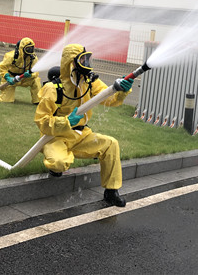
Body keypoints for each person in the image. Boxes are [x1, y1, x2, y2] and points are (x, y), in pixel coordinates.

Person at [34, 43, 134, 207]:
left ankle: (111, 191)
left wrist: (122, 91)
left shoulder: (90, 83)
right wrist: (67, 122)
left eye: (87, 60)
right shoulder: (53, 88)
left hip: (82, 135)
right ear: (71, 63)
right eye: (83, 60)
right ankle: (55, 165)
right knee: (59, 163)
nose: (86, 64)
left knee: (111, 144)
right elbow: (42, 121)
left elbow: (110, 99)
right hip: (56, 137)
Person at [0, 37, 42, 104]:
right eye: (28, 49)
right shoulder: (11, 56)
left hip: (24, 78)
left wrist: (31, 75)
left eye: (32, 48)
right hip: (12, 78)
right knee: (6, 100)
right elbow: (2, 67)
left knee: (36, 80)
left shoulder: (33, 58)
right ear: (22, 48)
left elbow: (36, 72)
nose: (30, 51)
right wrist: (7, 77)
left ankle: (37, 101)